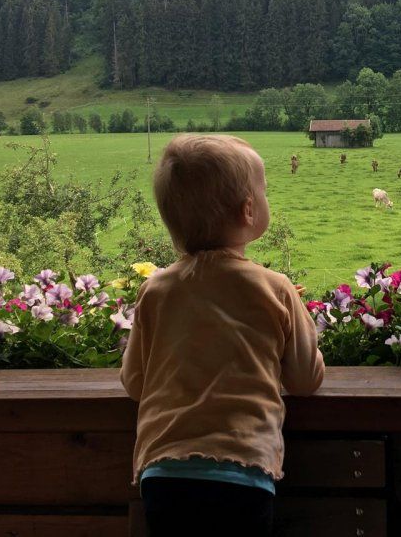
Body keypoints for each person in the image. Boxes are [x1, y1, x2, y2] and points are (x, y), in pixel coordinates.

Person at [121, 134, 325, 537]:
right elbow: (304, 379)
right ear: (249, 210)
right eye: (263, 191)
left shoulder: (157, 290)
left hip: (163, 474)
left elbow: (135, 383)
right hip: (243, 471)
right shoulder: (274, 287)